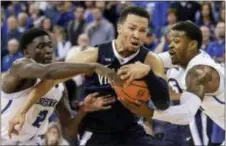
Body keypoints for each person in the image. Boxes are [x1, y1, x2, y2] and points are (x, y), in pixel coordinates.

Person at [8, 6, 171, 146]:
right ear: (120, 28)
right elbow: (51, 80)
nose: (137, 34)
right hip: (96, 131)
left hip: (130, 129)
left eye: (142, 30)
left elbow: (163, 103)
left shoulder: (151, 61)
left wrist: (147, 74)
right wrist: (22, 111)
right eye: (132, 28)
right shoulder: (93, 54)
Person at [2, 28, 122, 145]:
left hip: (32, 141)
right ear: (26, 52)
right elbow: (48, 72)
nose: (48, 50)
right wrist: (93, 66)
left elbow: (69, 130)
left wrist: (83, 110)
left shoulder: (59, 88)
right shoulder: (19, 67)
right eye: (41, 46)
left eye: (50, 45)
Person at [117, 21, 224, 144]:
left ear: (192, 45)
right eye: (171, 41)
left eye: (177, 41)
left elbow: (186, 114)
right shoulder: (187, 55)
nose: (171, 46)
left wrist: (150, 112)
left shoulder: (200, 71)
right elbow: (152, 59)